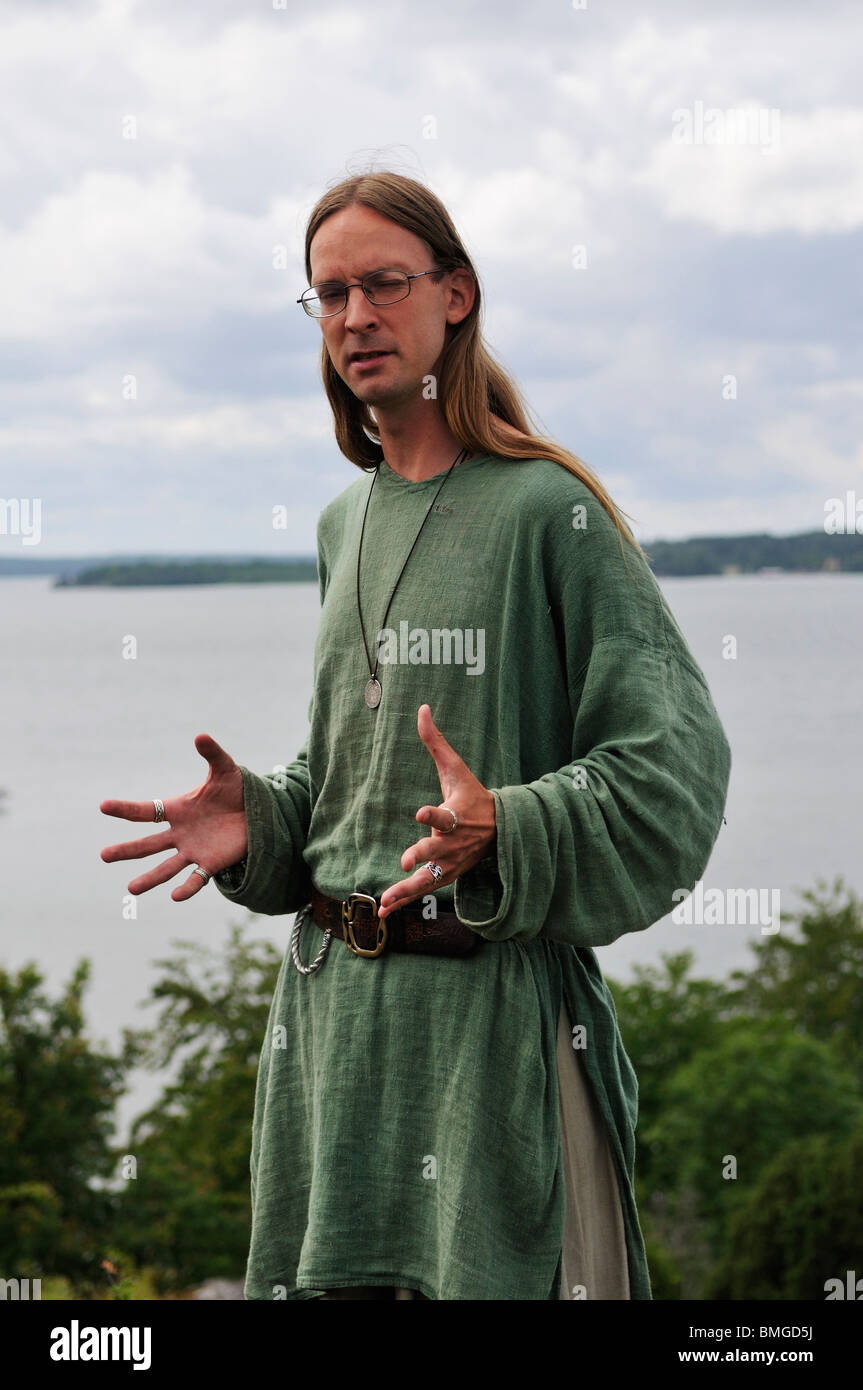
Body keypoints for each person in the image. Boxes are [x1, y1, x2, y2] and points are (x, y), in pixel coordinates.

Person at [100, 169, 731, 1301]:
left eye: (383, 284)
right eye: (328, 293)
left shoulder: (549, 510)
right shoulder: (343, 521)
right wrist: (264, 822)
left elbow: (672, 764)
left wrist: (511, 823)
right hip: (336, 1037)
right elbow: (351, 787)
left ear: (455, 294)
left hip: (487, 1033)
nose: (354, 318)